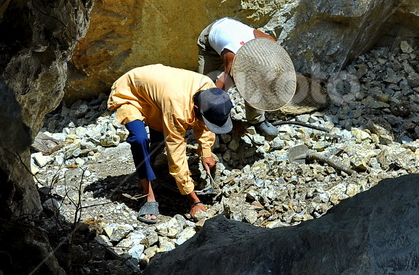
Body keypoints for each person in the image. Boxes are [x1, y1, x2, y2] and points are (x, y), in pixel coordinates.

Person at [107, 64, 233, 223]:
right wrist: (194, 200)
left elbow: (204, 124)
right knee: (140, 140)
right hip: (131, 90)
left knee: (162, 128)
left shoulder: (209, 90)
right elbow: (176, 155)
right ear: (195, 107)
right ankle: (149, 197)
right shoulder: (177, 107)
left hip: (159, 93)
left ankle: (154, 159)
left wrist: (205, 151)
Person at [197, 17, 291, 138]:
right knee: (205, 86)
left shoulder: (269, 43)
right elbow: (214, 95)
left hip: (231, 32)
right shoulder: (233, 67)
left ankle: (257, 120)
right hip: (209, 40)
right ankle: (217, 123)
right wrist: (230, 123)